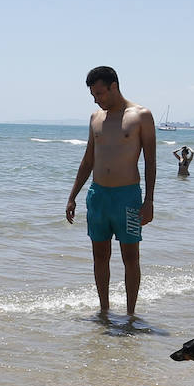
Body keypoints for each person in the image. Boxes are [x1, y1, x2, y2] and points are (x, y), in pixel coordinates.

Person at [65, 66, 156, 317]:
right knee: (100, 256)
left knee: (130, 256)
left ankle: (130, 314)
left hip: (127, 197)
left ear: (114, 86)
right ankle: (104, 311)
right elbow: (87, 160)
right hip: (98, 196)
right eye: (93, 95)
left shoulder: (141, 116)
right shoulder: (96, 118)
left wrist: (148, 201)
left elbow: (150, 161)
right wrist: (72, 196)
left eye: (100, 93)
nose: (97, 99)